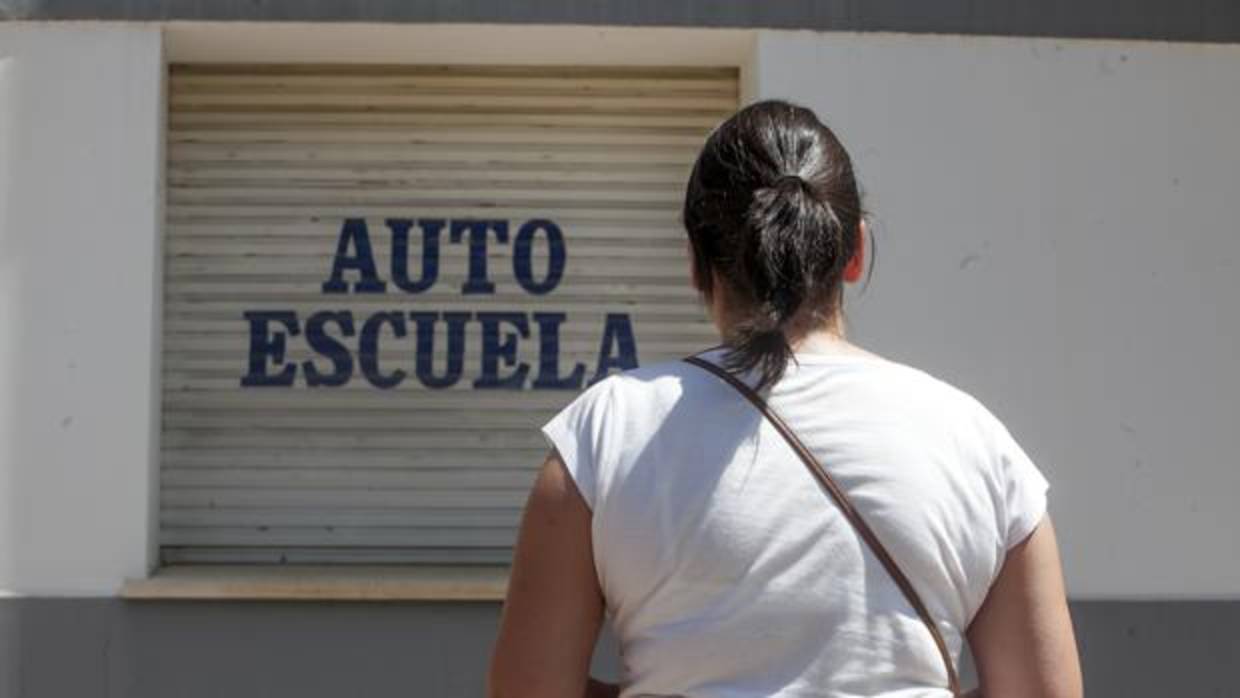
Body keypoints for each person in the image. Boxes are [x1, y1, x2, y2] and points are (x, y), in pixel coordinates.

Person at [488, 100, 1083, 698]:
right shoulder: (976, 443)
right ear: (856, 252)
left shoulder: (605, 432)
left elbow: (528, 689)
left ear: (697, 263)